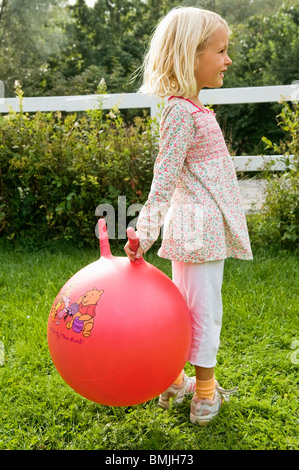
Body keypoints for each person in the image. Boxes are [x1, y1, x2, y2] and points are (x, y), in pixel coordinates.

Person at [124, 6, 252, 425]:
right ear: (190, 55)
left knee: (184, 309)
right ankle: (204, 395)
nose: (228, 59)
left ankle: (174, 381)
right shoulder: (182, 112)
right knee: (202, 312)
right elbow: (165, 176)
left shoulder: (192, 109)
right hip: (201, 232)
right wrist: (145, 231)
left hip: (198, 230)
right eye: (221, 50)